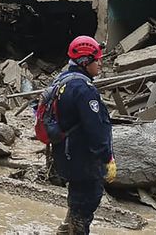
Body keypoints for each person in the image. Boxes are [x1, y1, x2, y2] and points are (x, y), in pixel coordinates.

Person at [50, 36, 114, 234]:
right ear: (85, 62)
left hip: (67, 155)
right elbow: (95, 128)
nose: (101, 63)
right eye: (97, 59)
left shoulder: (62, 81)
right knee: (84, 207)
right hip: (83, 159)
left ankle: (64, 231)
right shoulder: (84, 90)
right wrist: (107, 158)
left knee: (76, 201)